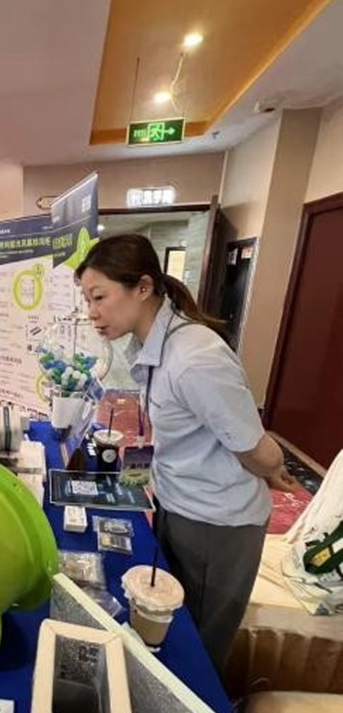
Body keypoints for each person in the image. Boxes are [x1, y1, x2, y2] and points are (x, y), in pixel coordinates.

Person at [76, 233, 295, 670]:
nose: (92, 312)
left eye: (99, 297)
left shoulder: (195, 357)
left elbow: (259, 451)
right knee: (169, 625)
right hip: (179, 501)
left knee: (198, 644)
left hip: (216, 521)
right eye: (87, 300)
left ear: (143, 287)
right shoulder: (154, 344)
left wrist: (273, 466)